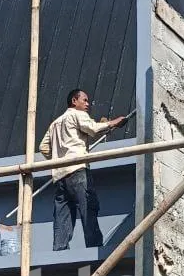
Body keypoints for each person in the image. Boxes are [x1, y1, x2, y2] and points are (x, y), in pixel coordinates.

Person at [39, 90, 127, 250]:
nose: (88, 104)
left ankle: (59, 251)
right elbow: (92, 128)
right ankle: (94, 249)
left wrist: (59, 157)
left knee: (63, 215)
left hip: (60, 176)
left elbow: (43, 147)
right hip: (77, 170)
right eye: (84, 100)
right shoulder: (77, 114)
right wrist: (113, 123)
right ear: (74, 101)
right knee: (88, 208)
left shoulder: (55, 123)